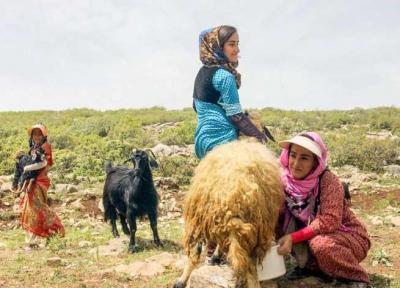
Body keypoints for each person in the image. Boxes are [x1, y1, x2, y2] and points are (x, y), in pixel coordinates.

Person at [276, 132, 370, 287]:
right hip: (311, 235)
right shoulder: (284, 182)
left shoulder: (328, 180)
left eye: (304, 158)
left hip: (346, 236)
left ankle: (356, 278)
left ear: (315, 162)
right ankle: (311, 268)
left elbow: (330, 220)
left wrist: (293, 238)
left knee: (321, 245)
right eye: (293, 155)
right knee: (276, 228)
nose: (296, 163)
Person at [193, 25, 267, 159]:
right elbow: (236, 116)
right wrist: (259, 136)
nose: (237, 50)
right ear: (218, 46)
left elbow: (196, 106)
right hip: (223, 142)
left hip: (201, 141)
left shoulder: (201, 73)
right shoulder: (225, 76)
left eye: (237, 44)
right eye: (231, 44)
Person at [18, 123, 64, 250]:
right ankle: (47, 235)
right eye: (34, 134)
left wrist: (28, 169)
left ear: (44, 135)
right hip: (32, 181)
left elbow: (46, 164)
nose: (37, 136)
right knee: (32, 209)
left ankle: (35, 240)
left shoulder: (45, 146)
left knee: (35, 209)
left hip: (40, 182)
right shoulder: (33, 147)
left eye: (39, 134)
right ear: (31, 135)